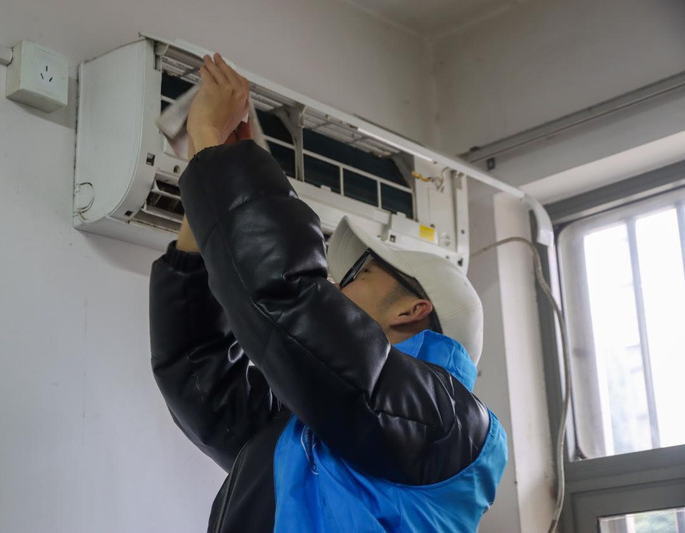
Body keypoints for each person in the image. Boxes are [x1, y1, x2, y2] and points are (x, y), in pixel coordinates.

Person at [149, 53, 508, 533]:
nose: (336, 285)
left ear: (413, 308)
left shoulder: (449, 423)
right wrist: (209, 174)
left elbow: (289, 303)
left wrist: (216, 149)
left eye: (356, 272)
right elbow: (197, 370)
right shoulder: (321, 424)